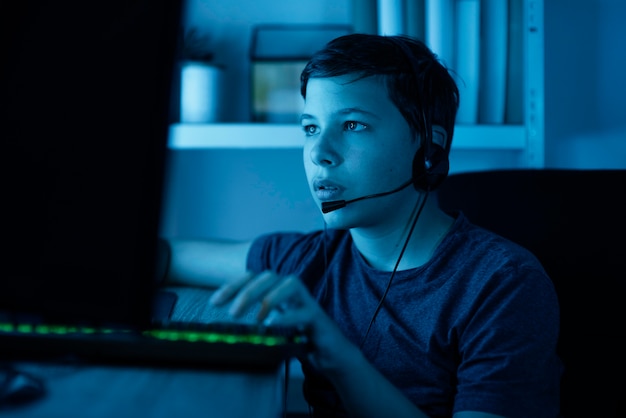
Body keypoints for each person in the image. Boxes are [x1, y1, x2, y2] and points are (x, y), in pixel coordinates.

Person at [164, 34, 561, 418]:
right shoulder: (307, 259)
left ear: (429, 146)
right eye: (310, 128)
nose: (319, 153)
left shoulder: (502, 283)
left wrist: (339, 357)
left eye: (352, 125)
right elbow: (166, 256)